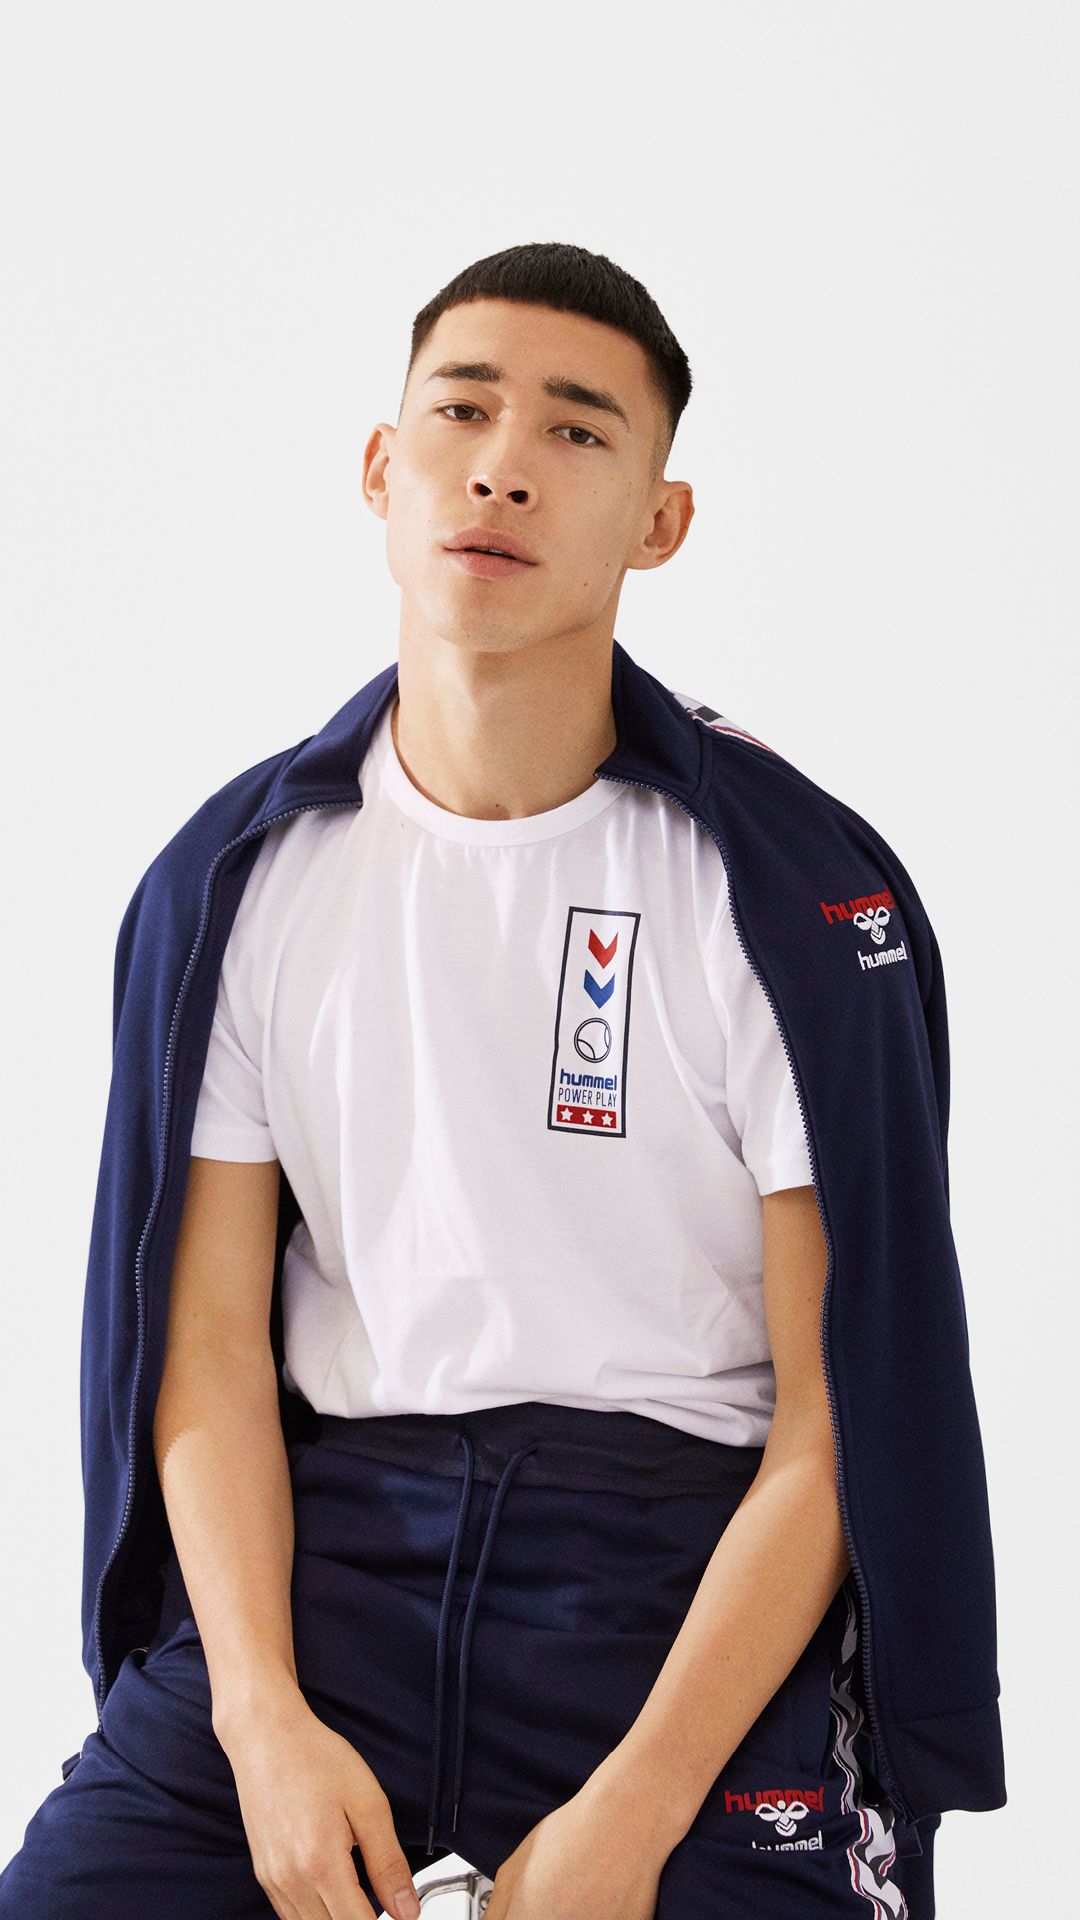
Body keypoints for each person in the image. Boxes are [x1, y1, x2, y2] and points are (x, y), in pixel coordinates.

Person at [0, 241, 1004, 1920]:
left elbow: (837, 1420)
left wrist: (639, 1807)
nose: (503, 466)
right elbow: (209, 1356)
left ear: (659, 522)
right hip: (334, 1561)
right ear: (381, 469)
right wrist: (258, 1719)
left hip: (682, 1573)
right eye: (461, 412)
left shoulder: (784, 894)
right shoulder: (244, 882)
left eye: (577, 431)